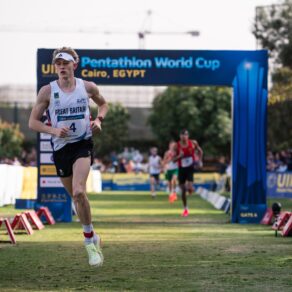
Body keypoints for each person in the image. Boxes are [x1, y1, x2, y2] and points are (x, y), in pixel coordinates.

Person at [28, 47, 108, 267]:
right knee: (75, 197)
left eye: (65, 63)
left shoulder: (87, 87)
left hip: (83, 143)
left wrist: (99, 120)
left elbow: (103, 104)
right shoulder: (47, 91)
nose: (62, 67)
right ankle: (94, 235)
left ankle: (89, 244)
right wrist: (53, 131)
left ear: (75, 64)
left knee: (80, 191)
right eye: (58, 64)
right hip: (61, 148)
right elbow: (32, 123)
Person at [173, 129, 203, 217]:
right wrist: (179, 156)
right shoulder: (176, 146)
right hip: (181, 169)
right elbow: (173, 160)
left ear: (188, 136)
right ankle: (185, 208)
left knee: (189, 187)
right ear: (180, 136)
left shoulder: (193, 143)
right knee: (183, 190)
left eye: (185, 135)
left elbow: (200, 151)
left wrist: (200, 161)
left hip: (190, 168)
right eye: (182, 135)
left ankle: (190, 188)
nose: (184, 136)